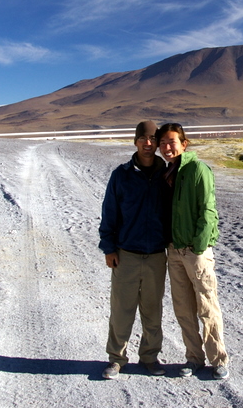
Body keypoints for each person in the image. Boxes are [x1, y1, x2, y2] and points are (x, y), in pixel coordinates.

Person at [157, 122, 230, 380]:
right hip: (174, 250)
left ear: (184, 144)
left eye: (172, 142)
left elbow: (208, 210)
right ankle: (193, 358)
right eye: (162, 143)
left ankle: (218, 359)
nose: (166, 147)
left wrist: (199, 247)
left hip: (195, 251)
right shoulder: (167, 172)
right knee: (183, 309)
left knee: (207, 305)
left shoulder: (198, 169)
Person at [98, 120, 168, 379]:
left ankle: (150, 357)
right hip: (126, 253)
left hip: (157, 255)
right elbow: (109, 212)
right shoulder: (122, 174)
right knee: (121, 310)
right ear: (135, 141)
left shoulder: (167, 174)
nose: (148, 143)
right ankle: (116, 359)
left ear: (157, 143)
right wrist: (109, 248)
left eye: (152, 139)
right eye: (143, 139)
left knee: (153, 310)